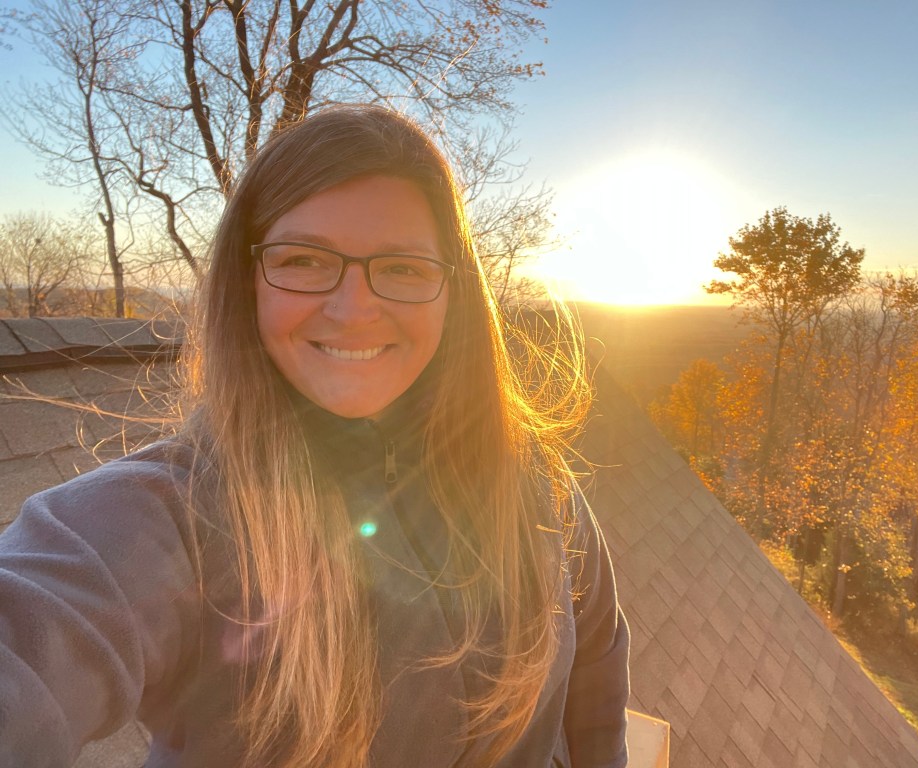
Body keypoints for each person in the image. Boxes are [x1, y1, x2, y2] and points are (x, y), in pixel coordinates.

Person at [0, 105, 630, 768]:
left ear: (455, 291)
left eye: (403, 267)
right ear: (248, 283)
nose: (353, 310)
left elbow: (597, 668)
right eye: (302, 259)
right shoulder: (168, 520)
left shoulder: (535, 484)